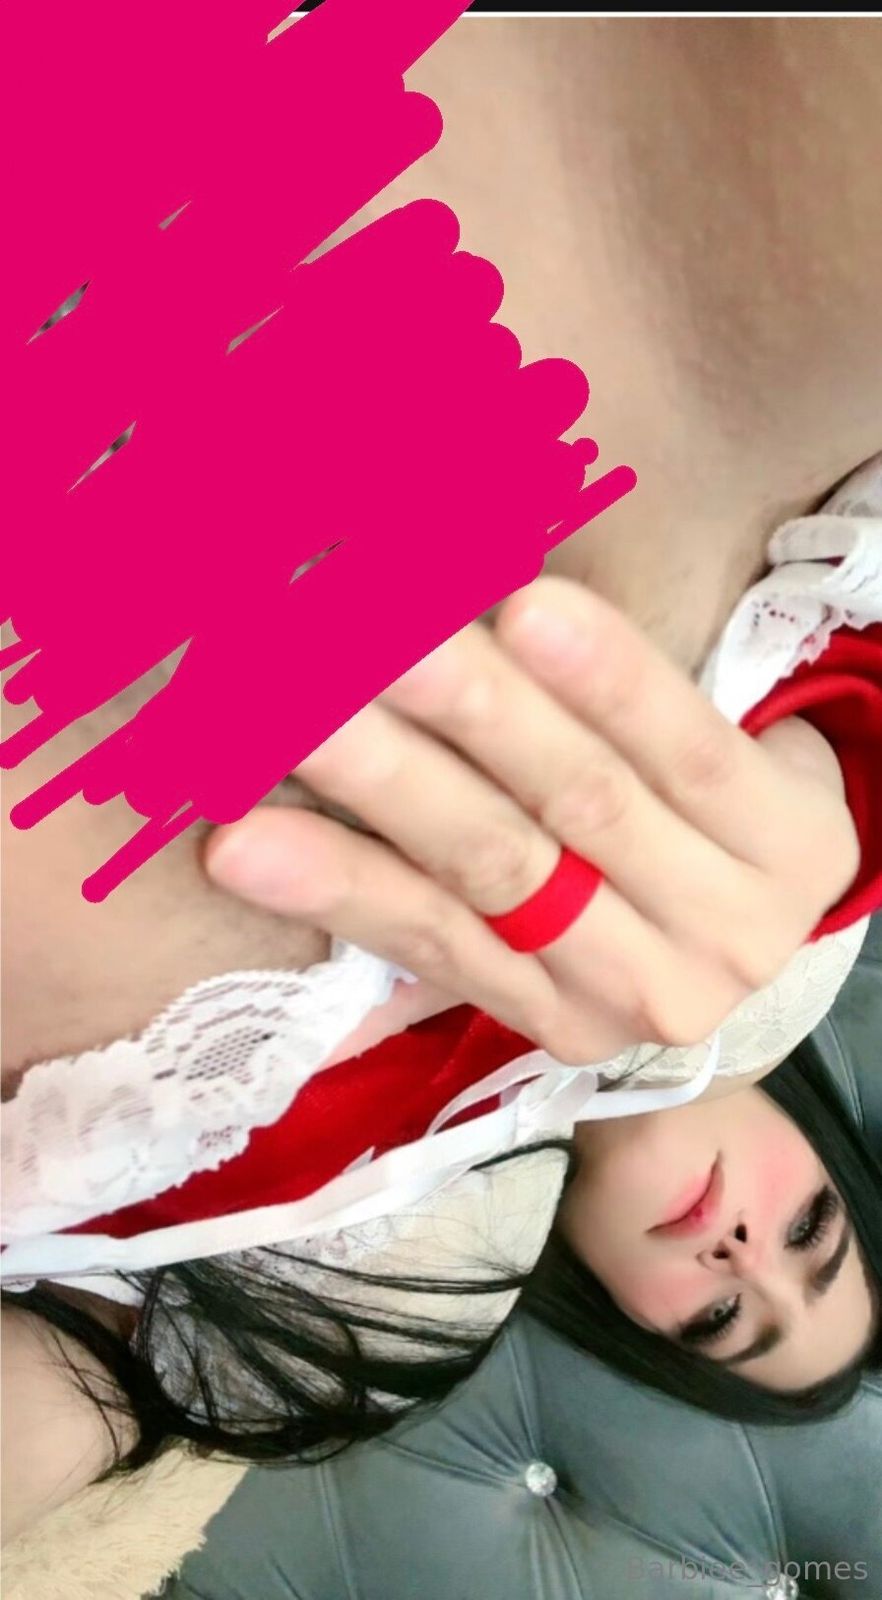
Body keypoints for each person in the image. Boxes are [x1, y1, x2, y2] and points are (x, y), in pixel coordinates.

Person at [3, 10, 882, 1543]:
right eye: (809, 1229)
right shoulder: (819, 795)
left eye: (717, 1319)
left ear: (622, 1326)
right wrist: (834, 776)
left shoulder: (336, 1321)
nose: (741, 1250)